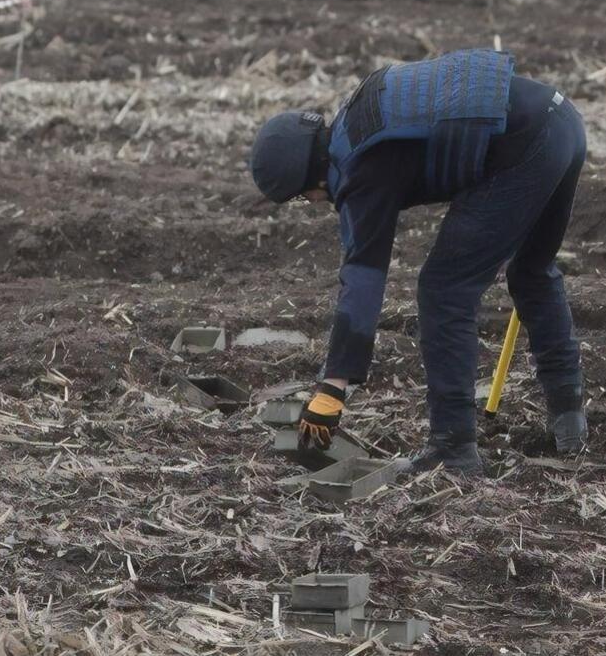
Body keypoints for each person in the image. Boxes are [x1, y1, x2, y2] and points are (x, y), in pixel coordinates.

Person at [249, 49, 588, 477]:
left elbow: (364, 278)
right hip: (562, 120)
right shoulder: (356, 119)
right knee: (532, 270)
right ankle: (569, 418)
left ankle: (453, 447)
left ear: (310, 177)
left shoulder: (360, 169)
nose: (313, 202)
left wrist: (333, 387)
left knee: (444, 289)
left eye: (303, 196)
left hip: (526, 145)